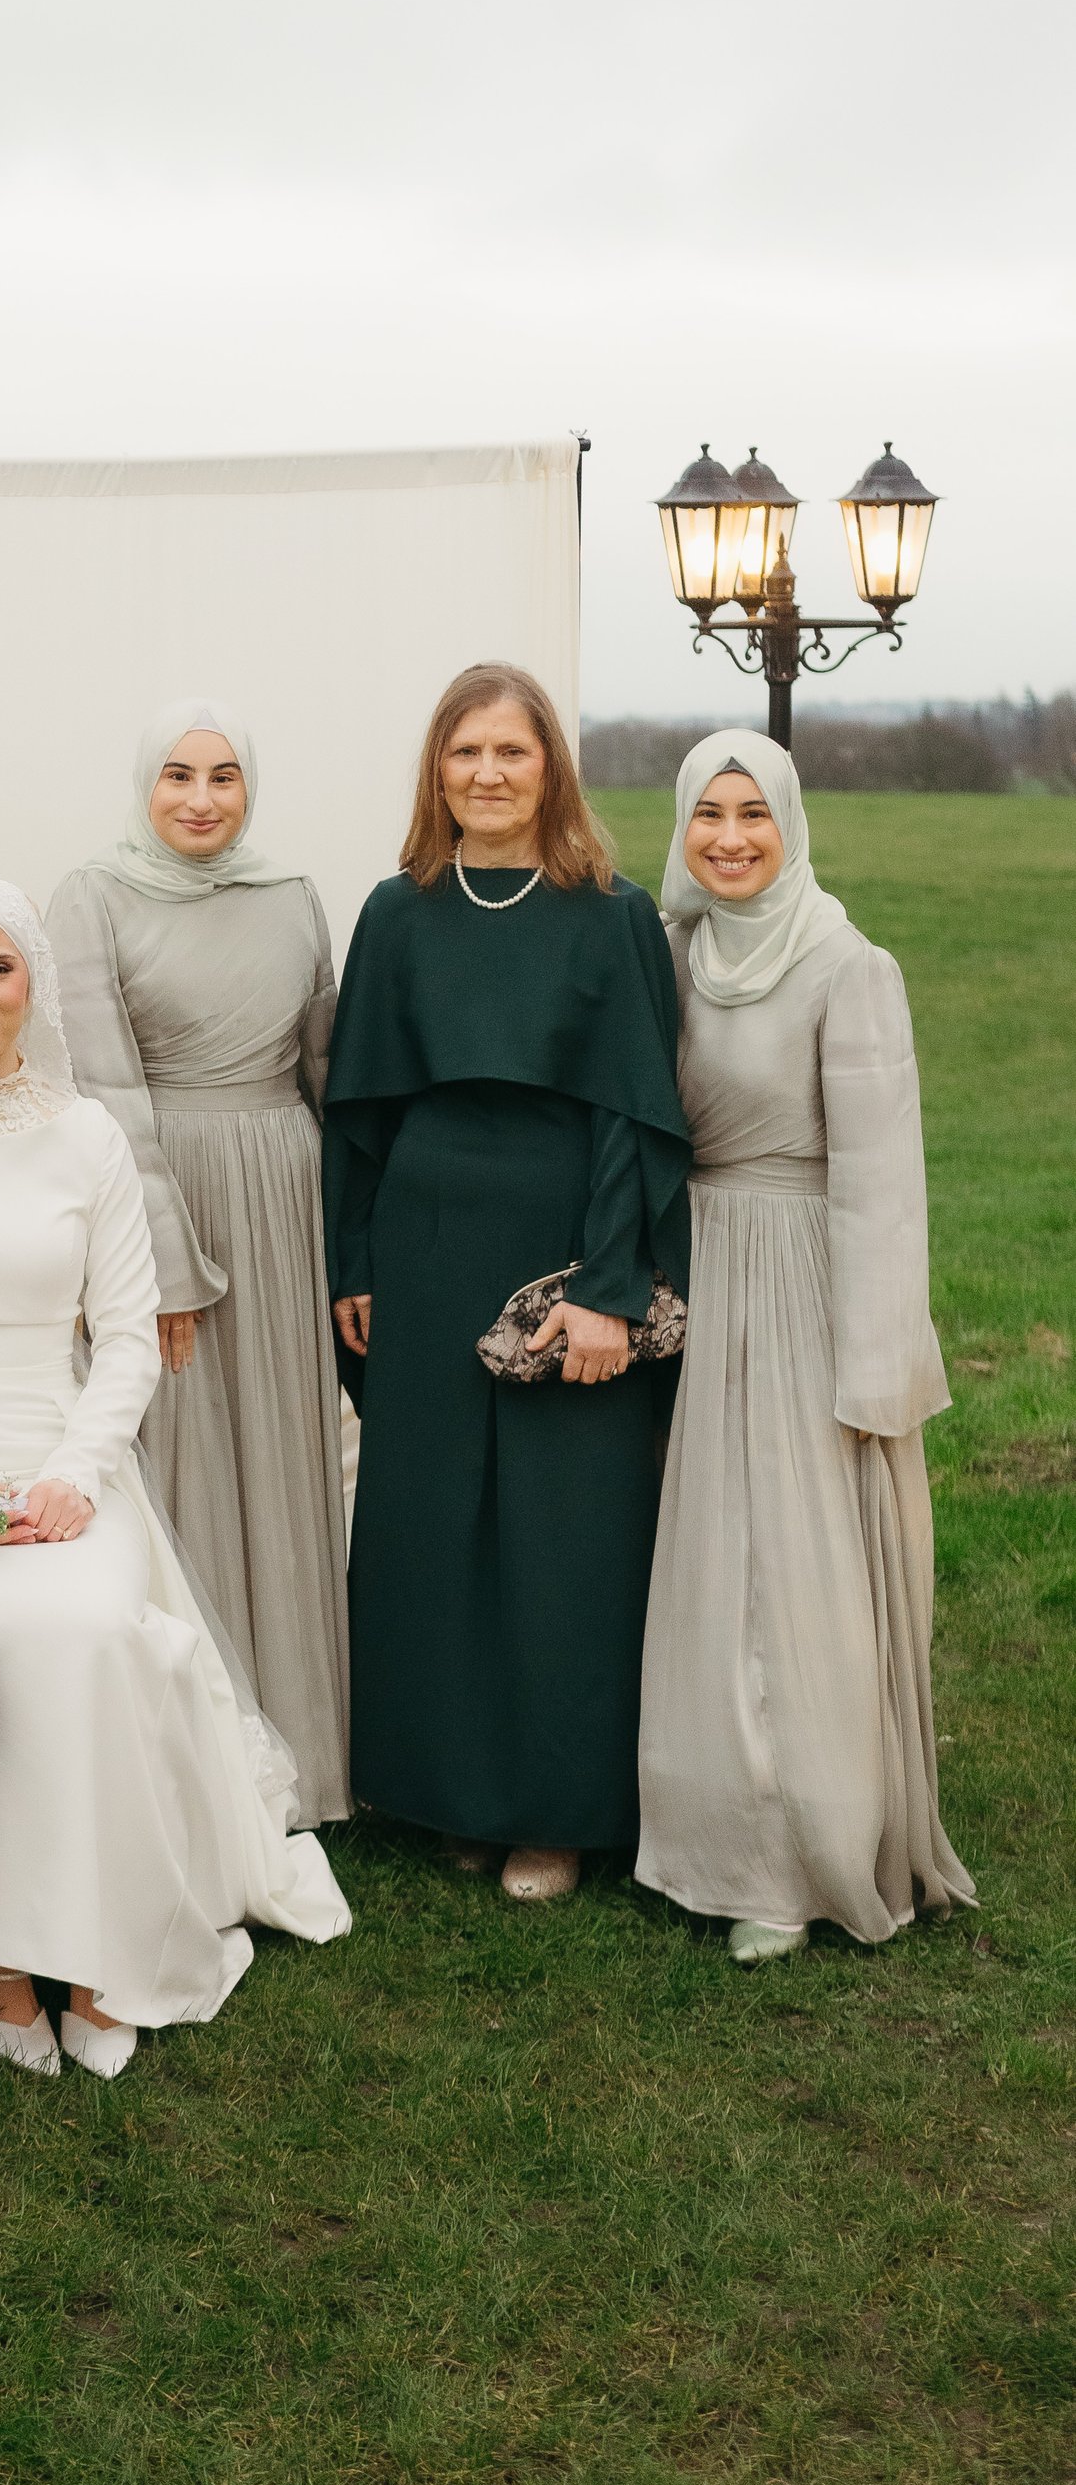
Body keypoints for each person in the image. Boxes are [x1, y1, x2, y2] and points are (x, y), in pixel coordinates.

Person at [0, 876, 350, 2084]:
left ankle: (94, 1941)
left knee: (87, 1621)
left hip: (59, 1461)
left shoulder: (85, 1132)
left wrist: (76, 1473)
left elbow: (132, 1337)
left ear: (32, 983)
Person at [325, 665, 689, 1903]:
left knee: (560, 1531)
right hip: (423, 1242)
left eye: (511, 753)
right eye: (464, 752)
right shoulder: (395, 911)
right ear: (437, 768)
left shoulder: (611, 915)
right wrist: (354, 1260)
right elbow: (359, 1114)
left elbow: (634, 1116)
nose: (487, 773)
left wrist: (606, 1285)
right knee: (427, 1524)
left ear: (551, 771)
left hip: (559, 1238)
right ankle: (447, 1789)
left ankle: (556, 1806)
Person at [637, 734, 974, 1961]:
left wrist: (872, 1367)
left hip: (799, 1284)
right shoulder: (669, 954)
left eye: (752, 815)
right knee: (705, 1554)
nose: (727, 837)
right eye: (705, 814)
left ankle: (797, 1847)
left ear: (790, 825)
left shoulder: (848, 965)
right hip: (698, 1265)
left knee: (792, 1561)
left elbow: (883, 1184)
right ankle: (705, 1819)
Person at [49, 706, 351, 1825]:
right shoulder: (90, 894)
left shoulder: (293, 894)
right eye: (176, 774)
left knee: (284, 1451)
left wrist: (348, 1232)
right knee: (178, 1469)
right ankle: (192, 1766)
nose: (200, 797)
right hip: (152, 1198)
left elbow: (324, 1064)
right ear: (144, 783)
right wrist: (162, 1267)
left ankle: (305, 1759)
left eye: (225, 776)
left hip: (283, 1190)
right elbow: (104, 1089)